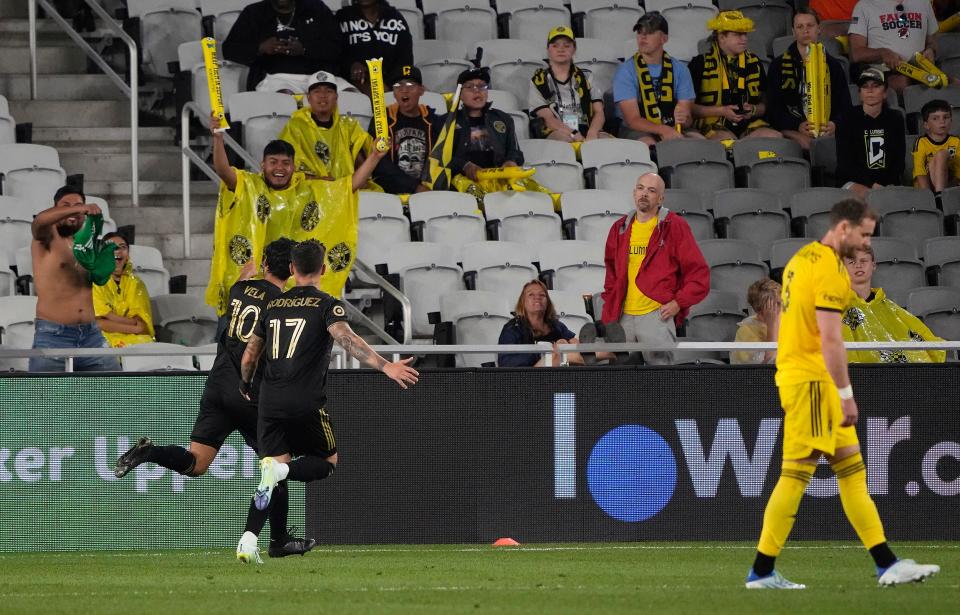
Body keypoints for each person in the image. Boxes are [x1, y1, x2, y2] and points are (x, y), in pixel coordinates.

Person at [746, 198, 939, 589]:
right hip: (815, 383)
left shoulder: (801, 259)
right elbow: (832, 340)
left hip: (803, 377)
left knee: (852, 474)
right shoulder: (832, 274)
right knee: (794, 476)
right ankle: (761, 570)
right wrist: (846, 394)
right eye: (863, 234)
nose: (865, 244)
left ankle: (886, 563)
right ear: (845, 228)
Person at [114, 239, 315, 563]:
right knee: (278, 466)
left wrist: (242, 276)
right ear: (292, 269)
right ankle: (278, 540)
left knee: (197, 463)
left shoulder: (239, 291)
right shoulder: (283, 306)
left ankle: (150, 452)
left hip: (217, 386)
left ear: (264, 263)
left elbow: (231, 318)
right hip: (250, 394)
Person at [237, 239, 418, 544]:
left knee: (274, 471)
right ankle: (279, 481)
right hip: (305, 400)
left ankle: (253, 539)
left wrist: (245, 384)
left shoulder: (271, 305)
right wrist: (386, 366)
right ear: (322, 268)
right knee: (326, 462)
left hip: (270, 399)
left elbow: (250, 355)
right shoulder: (325, 304)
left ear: (292, 269)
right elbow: (347, 339)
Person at [205, 112, 384, 317]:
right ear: (263, 165)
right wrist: (218, 139)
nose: (279, 168)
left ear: (294, 166)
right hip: (250, 293)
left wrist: (374, 157)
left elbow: (349, 186)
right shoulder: (249, 185)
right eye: (273, 162)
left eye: (285, 163)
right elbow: (223, 170)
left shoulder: (307, 190)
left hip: (290, 296)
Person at [600, 172, 710, 365]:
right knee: (621, 383)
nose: (644, 194)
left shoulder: (674, 226)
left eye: (651, 191)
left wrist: (678, 303)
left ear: (660, 198)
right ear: (634, 192)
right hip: (623, 316)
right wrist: (610, 307)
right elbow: (611, 274)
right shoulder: (619, 228)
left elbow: (699, 275)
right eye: (641, 188)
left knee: (660, 382)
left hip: (656, 315)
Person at [29, 186, 121, 372]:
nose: (73, 209)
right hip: (53, 336)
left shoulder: (87, 243)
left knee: (114, 391)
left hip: (91, 334)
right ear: (56, 209)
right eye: (66, 205)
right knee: (42, 398)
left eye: (79, 205)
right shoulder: (46, 237)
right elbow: (39, 221)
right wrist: (79, 208)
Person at [766, 8, 853, 150]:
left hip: (826, 128)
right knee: (812, 145)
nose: (805, 30)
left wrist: (834, 124)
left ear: (819, 29)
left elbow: (845, 106)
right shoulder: (778, 65)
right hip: (793, 128)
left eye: (810, 25)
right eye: (800, 27)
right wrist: (797, 126)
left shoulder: (833, 65)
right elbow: (773, 108)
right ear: (793, 32)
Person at [842, 245, 946, 363]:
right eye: (851, 262)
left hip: (900, 376)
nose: (858, 265)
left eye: (863, 260)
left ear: (874, 265)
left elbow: (926, 341)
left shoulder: (891, 309)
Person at [690, 11, 781, 141]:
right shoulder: (700, 64)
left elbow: (766, 103)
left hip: (750, 124)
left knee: (775, 138)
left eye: (745, 34)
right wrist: (721, 111)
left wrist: (753, 110)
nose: (744, 38)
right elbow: (689, 108)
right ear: (721, 37)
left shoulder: (754, 62)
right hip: (713, 124)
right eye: (738, 34)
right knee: (727, 142)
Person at [612, 13, 700, 144]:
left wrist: (684, 120)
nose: (643, 37)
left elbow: (687, 118)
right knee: (649, 144)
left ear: (664, 38)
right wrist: (663, 130)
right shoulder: (626, 70)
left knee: (700, 142)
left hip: (671, 125)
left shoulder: (680, 69)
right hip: (637, 129)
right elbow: (633, 120)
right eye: (640, 32)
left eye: (650, 32)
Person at [222, 0, 342, 91]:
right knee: (285, 100)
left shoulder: (316, 8)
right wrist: (260, 48)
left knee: (349, 95)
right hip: (274, 78)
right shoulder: (253, 13)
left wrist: (304, 49)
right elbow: (230, 50)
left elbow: (337, 47)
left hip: (319, 77)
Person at [278, 71, 373, 182]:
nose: (323, 96)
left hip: (347, 187)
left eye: (329, 91)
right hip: (308, 188)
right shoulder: (294, 127)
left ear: (336, 97)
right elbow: (285, 167)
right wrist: (318, 180)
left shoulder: (349, 126)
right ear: (309, 98)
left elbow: (360, 162)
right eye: (316, 91)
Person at [369, 65, 441, 194]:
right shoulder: (382, 119)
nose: (404, 90)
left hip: (428, 189)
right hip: (390, 191)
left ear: (422, 90)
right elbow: (380, 164)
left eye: (410, 85)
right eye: (398, 86)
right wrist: (414, 187)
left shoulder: (433, 121)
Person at [835, 68, 906, 199]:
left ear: (885, 93)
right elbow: (846, 164)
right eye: (864, 86)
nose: (870, 90)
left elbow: (899, 159)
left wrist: (889, 183)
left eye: (875, 86)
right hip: (854, 180)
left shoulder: (895, 118)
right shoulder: (846, 118)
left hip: (886, 183)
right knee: (872, 197)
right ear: (860, 93)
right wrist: (871, 184)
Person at [529, 26, 608, 143]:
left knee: (606, 142)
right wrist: (573, 133)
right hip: (557, 130)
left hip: (586, 127)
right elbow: (548, 119)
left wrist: (592, 132)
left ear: (574, 49)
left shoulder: (587, 76)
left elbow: (599, 112)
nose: (561, 49)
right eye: (555, 45)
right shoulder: (538, 81)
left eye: (566, 45)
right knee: (565, 140)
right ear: (548, 50)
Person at [849, 0, 939, 94]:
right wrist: (882, 53)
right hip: (883, 72)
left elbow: (932, 40)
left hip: (921, 70)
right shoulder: (864, 6)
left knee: (953, 83)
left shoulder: (924, 3)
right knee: (902, 82)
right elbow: (857, 53)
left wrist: (931, 50)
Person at [497, 280, 585, 367]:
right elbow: (505, 362)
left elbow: (572, 341)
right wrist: (541, 353)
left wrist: (570, 343)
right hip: (528, 377)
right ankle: (586, 358)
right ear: (522, 302)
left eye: (542, 295)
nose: (537, 297)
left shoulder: (556, 325)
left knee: (563, 343)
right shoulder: (512, 328)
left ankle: (589, 355)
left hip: (560, 372)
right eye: (531, 294)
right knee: (555, 355)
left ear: (547, 302)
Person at [92, 232, 155, 348]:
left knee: (146, 343)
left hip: (134, 337)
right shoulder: (94, 281)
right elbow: (98, 323)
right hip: (103, 337)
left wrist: (112, 319)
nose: (118, 251)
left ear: (128, 255)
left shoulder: (136, 284)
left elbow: (142, 323)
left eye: (123, 247)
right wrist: (134, 327)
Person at [337, 0, 413, 94]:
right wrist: (351, 65)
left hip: (392, 80)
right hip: (355, 82)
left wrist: (398, 81)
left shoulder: (396, 18)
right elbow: (334, 52)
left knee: (423, 94)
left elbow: (405, 59)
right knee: (378, 93)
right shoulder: (342, 17)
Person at [912, 98, 960, 195]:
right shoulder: (921, 142)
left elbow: (958, 169)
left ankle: (940, 197)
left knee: (942, 155)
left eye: (945, 117)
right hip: (926, 185)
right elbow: (919, 171)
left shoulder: (956, 141)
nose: (942, 122)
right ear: (926, 125)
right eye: (935, 118)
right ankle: (938, 198)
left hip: (949, 182)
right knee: (939, 157)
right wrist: (927, 195)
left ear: (951, 120)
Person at [730, 278, 781, 365]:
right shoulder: (746, 331)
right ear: (760, 311)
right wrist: (772, 326)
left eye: (780, 303)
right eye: (773, 306)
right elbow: (768, 365)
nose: (781, 309)